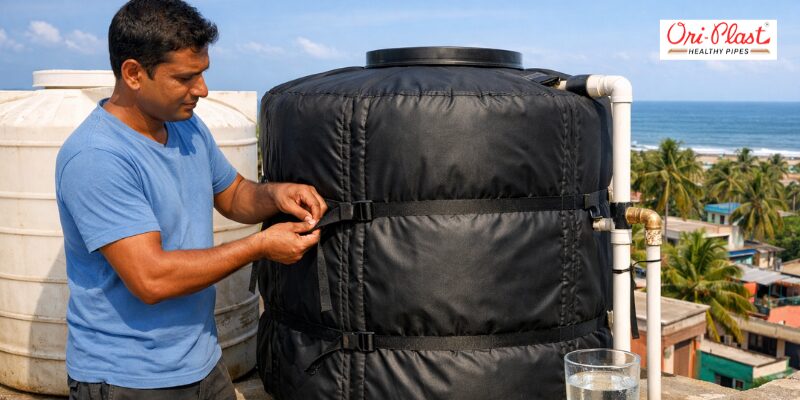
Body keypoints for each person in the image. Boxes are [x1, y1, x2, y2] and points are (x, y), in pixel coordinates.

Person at [54, 0, 326, 398]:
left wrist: (276, 194)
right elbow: (151, 279)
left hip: (202, 361)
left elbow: (234, 195)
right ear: (133, 74)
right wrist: (260, 247)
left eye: (202, 73)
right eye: (185, 77)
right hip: (128, 379)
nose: (202, 89)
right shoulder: (97, 157)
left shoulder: (187, 127)